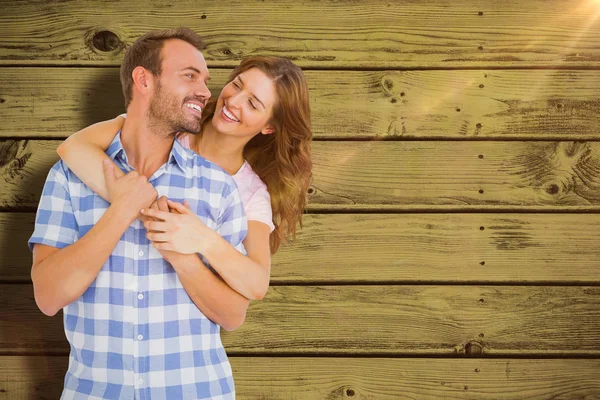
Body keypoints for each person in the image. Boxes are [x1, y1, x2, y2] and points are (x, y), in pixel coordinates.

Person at [29, 28, 250, 399]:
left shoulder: (217, 186)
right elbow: (48, 298)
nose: (205, 91)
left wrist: (182, 258)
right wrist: (121, 211)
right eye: (189, 75)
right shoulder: (68, 177)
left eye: (206, 80)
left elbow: (232, 315)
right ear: (143, 79)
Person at [57, 56, 313, 301]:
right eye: (236, 85)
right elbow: (73, 147)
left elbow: (256, 284)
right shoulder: (166, 124)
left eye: (253, 104)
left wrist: (202, 238)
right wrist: (134, 202)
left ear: (269, 127)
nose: (234, 101)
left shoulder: (250, 192)